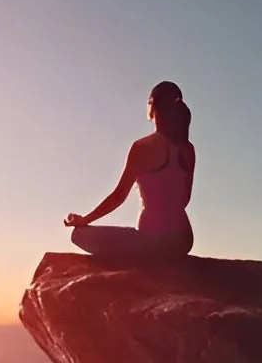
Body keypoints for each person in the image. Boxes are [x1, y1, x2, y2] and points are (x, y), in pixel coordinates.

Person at [64, 81, 195, 259]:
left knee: (79, 234)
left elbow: (119, 196)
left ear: (152, 106)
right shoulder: (188, 150)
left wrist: (84, 220)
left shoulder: (143, 146)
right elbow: (184, 200)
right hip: (183, 241)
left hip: (151, 242)